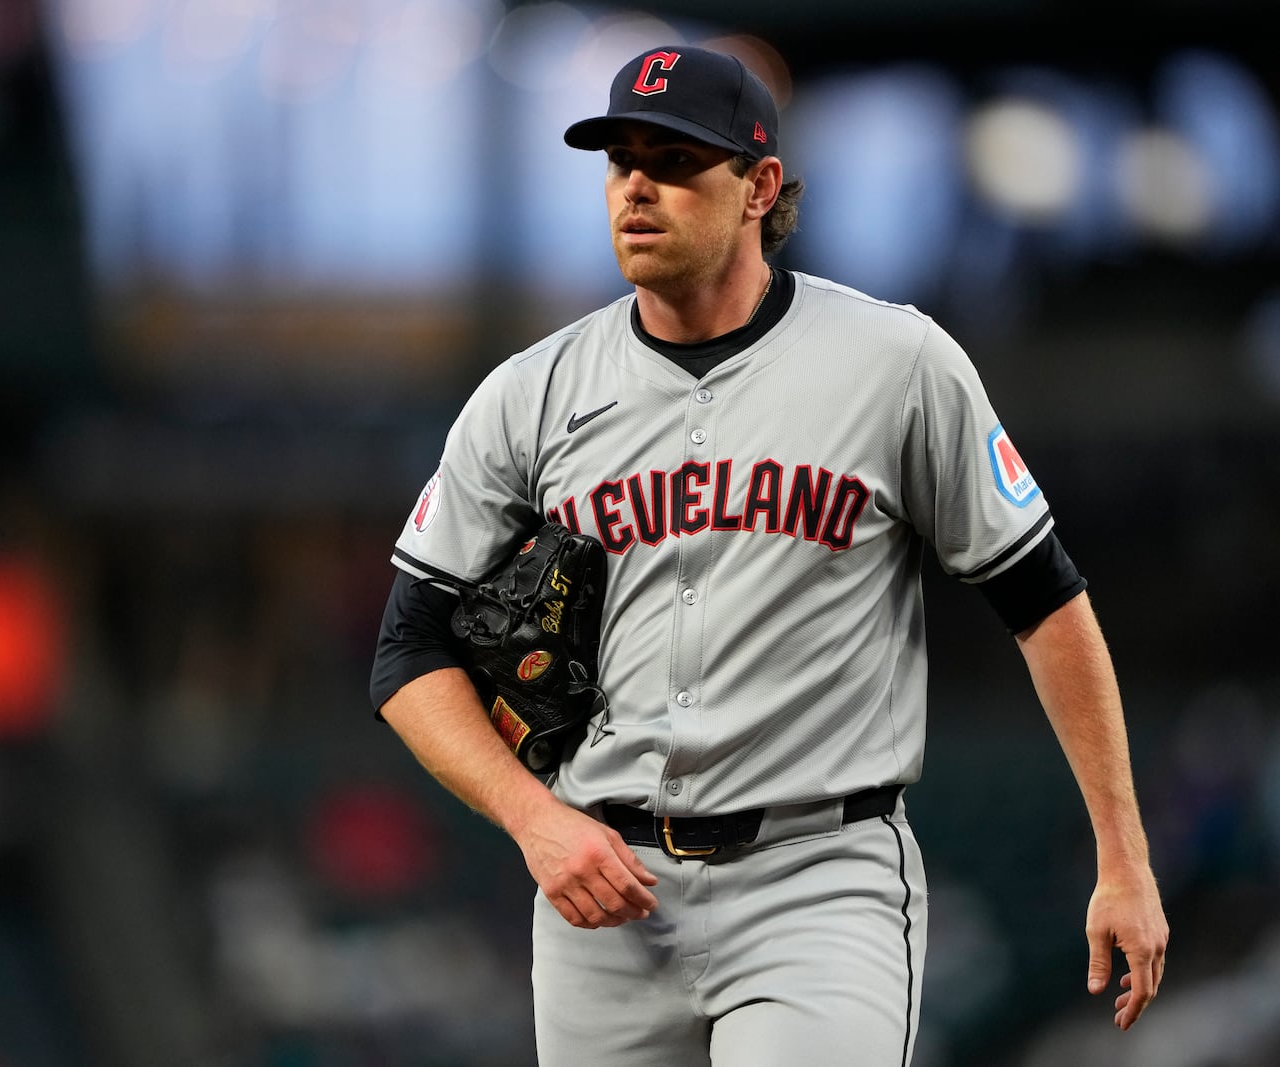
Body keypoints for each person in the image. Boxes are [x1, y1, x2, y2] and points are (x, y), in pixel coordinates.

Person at [370, 44, 1167, 1067]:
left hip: (817, 878)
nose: (637, 187)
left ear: (760, 187)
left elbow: (1044, 599)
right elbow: (409, 646)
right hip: (603, 887)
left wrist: (1123, 850)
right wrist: (532, 819)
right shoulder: (532, 393)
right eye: (619, 161)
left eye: (674, 159)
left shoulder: (895, 363)